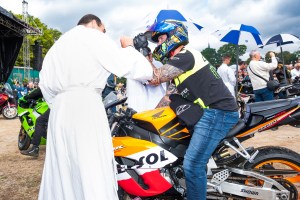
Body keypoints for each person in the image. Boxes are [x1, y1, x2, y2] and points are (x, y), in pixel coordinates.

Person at [38, 14, 153, 200]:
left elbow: (44, 86)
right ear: (95, 23)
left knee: (62, 170)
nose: (104, 33)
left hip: (59, 111)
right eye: (104, 30)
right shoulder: (92, 36)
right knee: (92, 167)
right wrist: (130, 47)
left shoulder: (56, 46)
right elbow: (132, 67)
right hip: (85, 107)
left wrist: (62, 102)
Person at [142, 21, 239, 200]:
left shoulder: (186, 55)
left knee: (193, 164)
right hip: (210, 112)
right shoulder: (180, 66)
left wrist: (145, 56)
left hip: (217, 112)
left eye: (160, 39)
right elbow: (167, 97)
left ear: (174, 36)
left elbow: (155, 77)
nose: (158, 44)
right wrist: (144, 120)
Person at [126, 47, 166, 112]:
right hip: (149, 107)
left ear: (150, 55)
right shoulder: (137, 67)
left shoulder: (156, 64)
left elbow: (155, 80)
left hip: (154, 106)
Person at [20, 87, 50, 157]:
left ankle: (35, 148)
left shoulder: (51, 77)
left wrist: (27, 97)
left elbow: (41, 89)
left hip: (60, 104)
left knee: (40, 121)